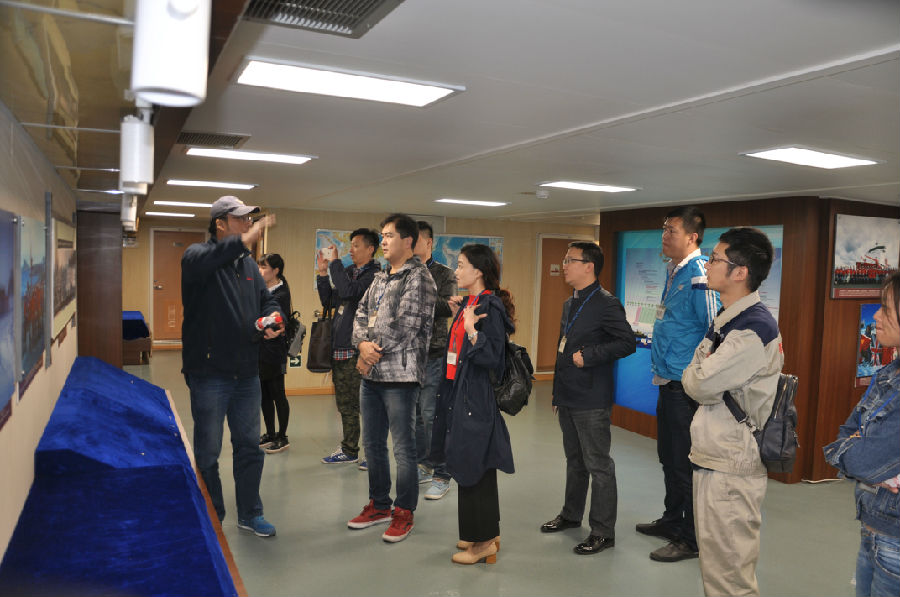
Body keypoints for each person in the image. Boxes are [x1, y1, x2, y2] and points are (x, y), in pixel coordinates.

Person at [682, 226, 783, 596]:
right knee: (716, 567)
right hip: (716, 455)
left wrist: (698, 372)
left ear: (740, 272)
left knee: (729, 575)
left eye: (715, 259)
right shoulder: (728, 318)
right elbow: (697, 371)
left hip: (732, 463)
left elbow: (697, 383)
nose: (708, 265)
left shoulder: (752, 329)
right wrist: (699, 371)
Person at [181, 195, 282, 537]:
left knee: (249, 447)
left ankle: (251, 513)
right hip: (210, 374)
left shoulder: (250, 267)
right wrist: (245, 240)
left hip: (247, 374)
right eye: (241, 219)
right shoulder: (196, 257)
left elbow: (267, 301)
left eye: (250, 219)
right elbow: (212, 257)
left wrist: (274, 317)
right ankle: (212, 516)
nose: (248, 224)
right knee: (208, 452)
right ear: (220, 224)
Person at [540, 242, 635, 555]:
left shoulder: (607, 304)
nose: (564, 265)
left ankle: (603, 531)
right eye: (565, 259)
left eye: (570, 260)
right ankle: (571, 515)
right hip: (568, 394)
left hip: (592, 397)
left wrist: (590, 356)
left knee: (598, 465)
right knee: (575, 461)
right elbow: (562, 347)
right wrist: (557, 392)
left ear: (589, 266)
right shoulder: (571, 302)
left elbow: (627, 342)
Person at [347, 213, 437, 543]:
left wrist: (370, 351)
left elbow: (406, 325)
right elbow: (360, 314)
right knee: (372, 445)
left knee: (403, 449)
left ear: (408, 241)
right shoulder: (381, 277)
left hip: (400, 376)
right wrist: (362, 345)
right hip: (372, 375)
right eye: (382, 235)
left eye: (389, 236)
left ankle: (404, 511)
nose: (383, 241)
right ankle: (380, 505)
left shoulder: (419, 278)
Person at [638, 205, 719, 562]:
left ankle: (691, 538)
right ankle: (672, 521)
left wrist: (700, 376)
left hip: (686, 387)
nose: (664, 236)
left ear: (692, 237)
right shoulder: (675, 270)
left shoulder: (699, 274)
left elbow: (715, 328)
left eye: (671, 230)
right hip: (667, 379)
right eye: (664, 230)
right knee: (669, 458)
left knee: (686, 465)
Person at [430, 243, 515, 565]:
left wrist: (470, 330)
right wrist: (460, 319)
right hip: (460, 393)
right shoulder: (470, 303)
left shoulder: (489, 307)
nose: (456, 271)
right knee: (471, 463)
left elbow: (493, 357)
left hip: (475, 397)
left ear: (478, 271)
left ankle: (483, 543)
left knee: (473, 465)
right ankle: (483, 533)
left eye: (462, 265)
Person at [824, 272, 899, 597]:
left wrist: (858, 452)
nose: (876, 316)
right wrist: (859, 453)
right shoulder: (888, 373)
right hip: (873, 524)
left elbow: (863, 460)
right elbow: (846, 434)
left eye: (886, 308)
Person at [317, 228, 380, 465]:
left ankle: (373, 454)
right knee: (345, 404)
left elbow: (348, 291)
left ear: (370, 249)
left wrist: (335, 264)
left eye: (355, 245)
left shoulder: (374, 275)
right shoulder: (350, 272)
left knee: (365, 404)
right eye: (350, 245)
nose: (350, 250)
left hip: (359, 350)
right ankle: (349, 449)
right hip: (340, 346)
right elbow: (330, 300)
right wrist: (323, 274)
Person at [411, 221, 456, 499]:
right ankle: (424, 464)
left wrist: (415, 301)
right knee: (416, 416)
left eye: (415, 240)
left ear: (429, 243)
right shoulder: (404, 271)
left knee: (431, 415)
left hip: (434, 352)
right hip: (408, 354)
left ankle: (443, 473)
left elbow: (448, 306)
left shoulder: (444, 273)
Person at [257, 253, 292, 454]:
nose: (260, 271)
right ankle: (270, 433)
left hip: (275, 351)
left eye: (264, 267)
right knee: (264, 395)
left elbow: (276, 320)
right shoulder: (261, 289)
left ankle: (282, 436)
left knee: (278, 394)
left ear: (275, 271)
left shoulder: (281, 293)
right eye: (259, 266)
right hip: (260, 350)